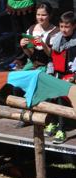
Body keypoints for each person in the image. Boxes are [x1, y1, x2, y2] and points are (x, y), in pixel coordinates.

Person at [46, 11, 76, 144]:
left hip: (72, 76)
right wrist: (50, 73)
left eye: (67, 26)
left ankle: (62, 130)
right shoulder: (57, 39)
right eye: (61, 26)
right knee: (48, 90)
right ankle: (53, 122)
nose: (64, 29)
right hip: (59, 74)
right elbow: (52, 59)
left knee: (60, 93)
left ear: (74, 26)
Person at [19, 2, 59, 72]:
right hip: (33, 64)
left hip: (48, 65)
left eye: (44, 15)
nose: (40, 17)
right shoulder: (31, 29)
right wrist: (24, 46)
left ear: (50, 15)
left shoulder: (55, 32)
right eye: (38, 14)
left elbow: (51, 54)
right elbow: (30, 54)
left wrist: (43, 44)